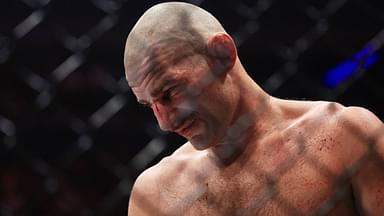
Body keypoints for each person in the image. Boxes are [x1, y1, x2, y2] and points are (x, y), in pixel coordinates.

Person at [124, 2, 384, 215]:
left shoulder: (347, 137)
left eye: (169, 93)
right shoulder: (154, 195)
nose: (165, 123)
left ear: (221, 54)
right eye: (149, 104)